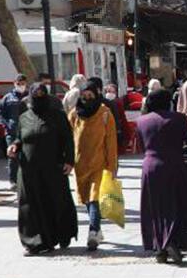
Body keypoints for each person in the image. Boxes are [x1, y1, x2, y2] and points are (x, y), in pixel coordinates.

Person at [136, 89, 187, 264]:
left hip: (150, 167)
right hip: (173, 165)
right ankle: (171, 241)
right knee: (177, 204)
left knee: (154, 208)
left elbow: (139, 147)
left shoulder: (141, 121)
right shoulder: (178, 118)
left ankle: (159, 247)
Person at [8, 83, 77, 256]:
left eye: (42, 93)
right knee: (29, 205)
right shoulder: (24, 117)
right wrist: (14, 146)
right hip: (28, 171)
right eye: (35, 93)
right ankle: (34, 242)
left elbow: (68, 139)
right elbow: (19, 138)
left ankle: (58, 236)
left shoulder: (58, 116)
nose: (39, 96)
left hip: (52, 169)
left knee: (54, 202)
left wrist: (69, 161)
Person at [68, 80, 118, 251]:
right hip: (80, 164)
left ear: (96, 96)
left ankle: (93, 231)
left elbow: (111, 142)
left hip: (100, 163)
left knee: (95, 197)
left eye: (90, 96)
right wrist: (67, 161)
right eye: (84, 96)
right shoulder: (75, 114)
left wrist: (112, 166)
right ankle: (98, 229)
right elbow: (68, 139)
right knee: (87, 199)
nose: (87, 99)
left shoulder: (105, 113)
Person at [0, 74, 29, 189]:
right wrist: (6, 126)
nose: (21, 86)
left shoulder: (30, 97)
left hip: (27, 131)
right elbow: (1, 112)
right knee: (13, 156)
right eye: (18, 83)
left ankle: (26, 180)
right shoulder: (8, 98)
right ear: (14, 83)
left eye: (23, 83)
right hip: (12, 132)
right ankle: (13, 181)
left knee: (27, 156)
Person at [104, 83, 130, 151]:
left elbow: (122, 117)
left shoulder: (118, 103)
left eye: (113, 92)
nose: (110, 94)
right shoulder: (103, 103)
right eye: (109, 91)